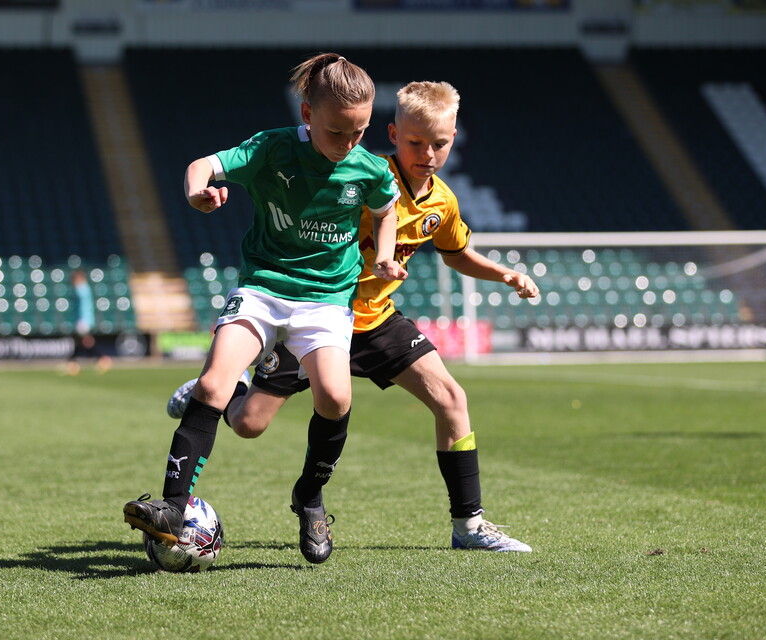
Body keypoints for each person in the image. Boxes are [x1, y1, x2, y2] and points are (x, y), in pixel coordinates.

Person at [169, 81, 540, 552]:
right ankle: (230, 388)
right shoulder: (358, 171)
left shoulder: (442, 202)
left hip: (376, 320)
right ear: (393, 134)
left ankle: (468, 526)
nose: (427, 154)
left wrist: (504, 273)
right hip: (320, 312)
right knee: (247, 424)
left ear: (454, 140)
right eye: (415, 142)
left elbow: (457, 253)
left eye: (440, 143)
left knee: (451, 398)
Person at [124, 53, 407, 565]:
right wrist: (196, 193)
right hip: (263, 287)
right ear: (307, 114)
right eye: (337, 131)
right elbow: (202, 165)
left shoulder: (368, 167)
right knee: (213, 386)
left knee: (335, 399)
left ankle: (310, 497)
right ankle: (171, 507)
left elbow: (386, 211)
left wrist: (384, 256)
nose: (349, 143)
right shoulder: (271, 148)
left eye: (360, 132)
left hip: (326, 300)